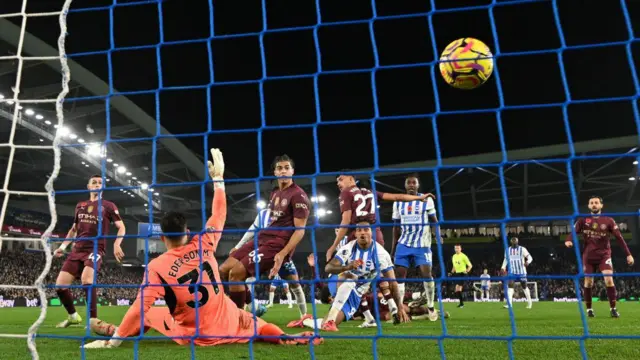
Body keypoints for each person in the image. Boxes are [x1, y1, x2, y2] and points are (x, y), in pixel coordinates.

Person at [82, 149, 322, 349]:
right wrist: (219, 180)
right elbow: (219, 214)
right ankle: (283, 337)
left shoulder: (156, 266)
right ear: (187, 233)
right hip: (228, 321)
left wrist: (113, 344)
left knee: (150, 313)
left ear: (163, 237)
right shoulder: (204, 242)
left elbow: (137, 309)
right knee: (256, 322)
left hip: (196, 334)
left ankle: (112, 332)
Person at [219, 154, 309, 320]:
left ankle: (239, 321)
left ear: (293, 171)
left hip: (278, 244)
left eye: (286, 168)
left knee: (237, 274)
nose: (283, 171)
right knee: (223, 270)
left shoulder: (298, 195)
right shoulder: (275, 193)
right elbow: (255, 227)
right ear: (275, 172)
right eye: (280, 168)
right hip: (263, 237)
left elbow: (300, 230)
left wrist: (283, 254)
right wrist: (239, 246)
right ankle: (251, 306)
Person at [288, 220, 410, 331]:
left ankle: (309, 321)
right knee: (350, 277)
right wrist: (347, 266)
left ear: (371, 232)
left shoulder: (381, 254)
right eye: (359, 230)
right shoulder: (348, 248)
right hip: (340, 282)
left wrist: (400, 307)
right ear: (355, 234)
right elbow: (328, 267)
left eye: (366, 230)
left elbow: (393, 282)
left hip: (357, 293)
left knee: (324, 325)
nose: (362, 233)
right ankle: (333, 319)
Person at [53, 174, 126, 328]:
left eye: (100, 182)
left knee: (87, 280)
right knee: (60, 286)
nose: (97, 184)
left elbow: (122, 227)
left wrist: (117, 243)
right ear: (89, 186)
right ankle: (73, 317)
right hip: (77, 249)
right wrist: (62, 247)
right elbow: (73, 230)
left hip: (95, 248)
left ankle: (92, 320)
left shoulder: (109, 206)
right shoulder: (80, 205)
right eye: (94, 182)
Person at [325, 171, 434, 261]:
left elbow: (346, 221)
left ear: (350, 178)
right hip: (375, 234)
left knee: (352, 272)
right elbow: (397, 197)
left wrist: (333, 247)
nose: (338, 183)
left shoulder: (346, 193)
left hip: (358, 234)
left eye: (341, 179)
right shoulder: (370, 192)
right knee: (381, 272)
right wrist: (419, 198)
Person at [565, 195, 634, 318]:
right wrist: (568, 240)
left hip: (604, 255)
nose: (594, 205)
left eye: (596, 202)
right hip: (588, 256)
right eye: (591, 203)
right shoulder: (582, 220)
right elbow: (573, 232)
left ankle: (613, 309)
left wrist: (628, 254)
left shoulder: (609, 221)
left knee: (608, 279)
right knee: (589, 282)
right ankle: (589, 310)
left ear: (601, 205)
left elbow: (619, 238)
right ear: (588, 205)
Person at [390, 173, 441, 321]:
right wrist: (393, 248)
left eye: (414, 183)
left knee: (427, 275)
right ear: (405, 185)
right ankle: (400, 310)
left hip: (422, 244)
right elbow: (396, 227)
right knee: (399, 276)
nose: (411, 185)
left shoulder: (427, 199)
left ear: (418, 185)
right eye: (409, 183)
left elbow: (434, 220)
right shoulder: (398, 202)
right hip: (404, 244)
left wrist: (437, 236)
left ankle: (431, 306)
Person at [500, 237, 533, 309]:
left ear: (517, 242)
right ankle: (509, 304)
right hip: (512, 272)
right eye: (513, 241)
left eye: (515, 241)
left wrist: (528, 262)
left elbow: (530, 257)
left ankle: (530, 303)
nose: (514, 243)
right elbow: (505, 259)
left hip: (522, 272)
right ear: (511, 242)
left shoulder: (522, 249)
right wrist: (503, 267)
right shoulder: (508, 250)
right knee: (510, 286)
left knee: (524, 286)